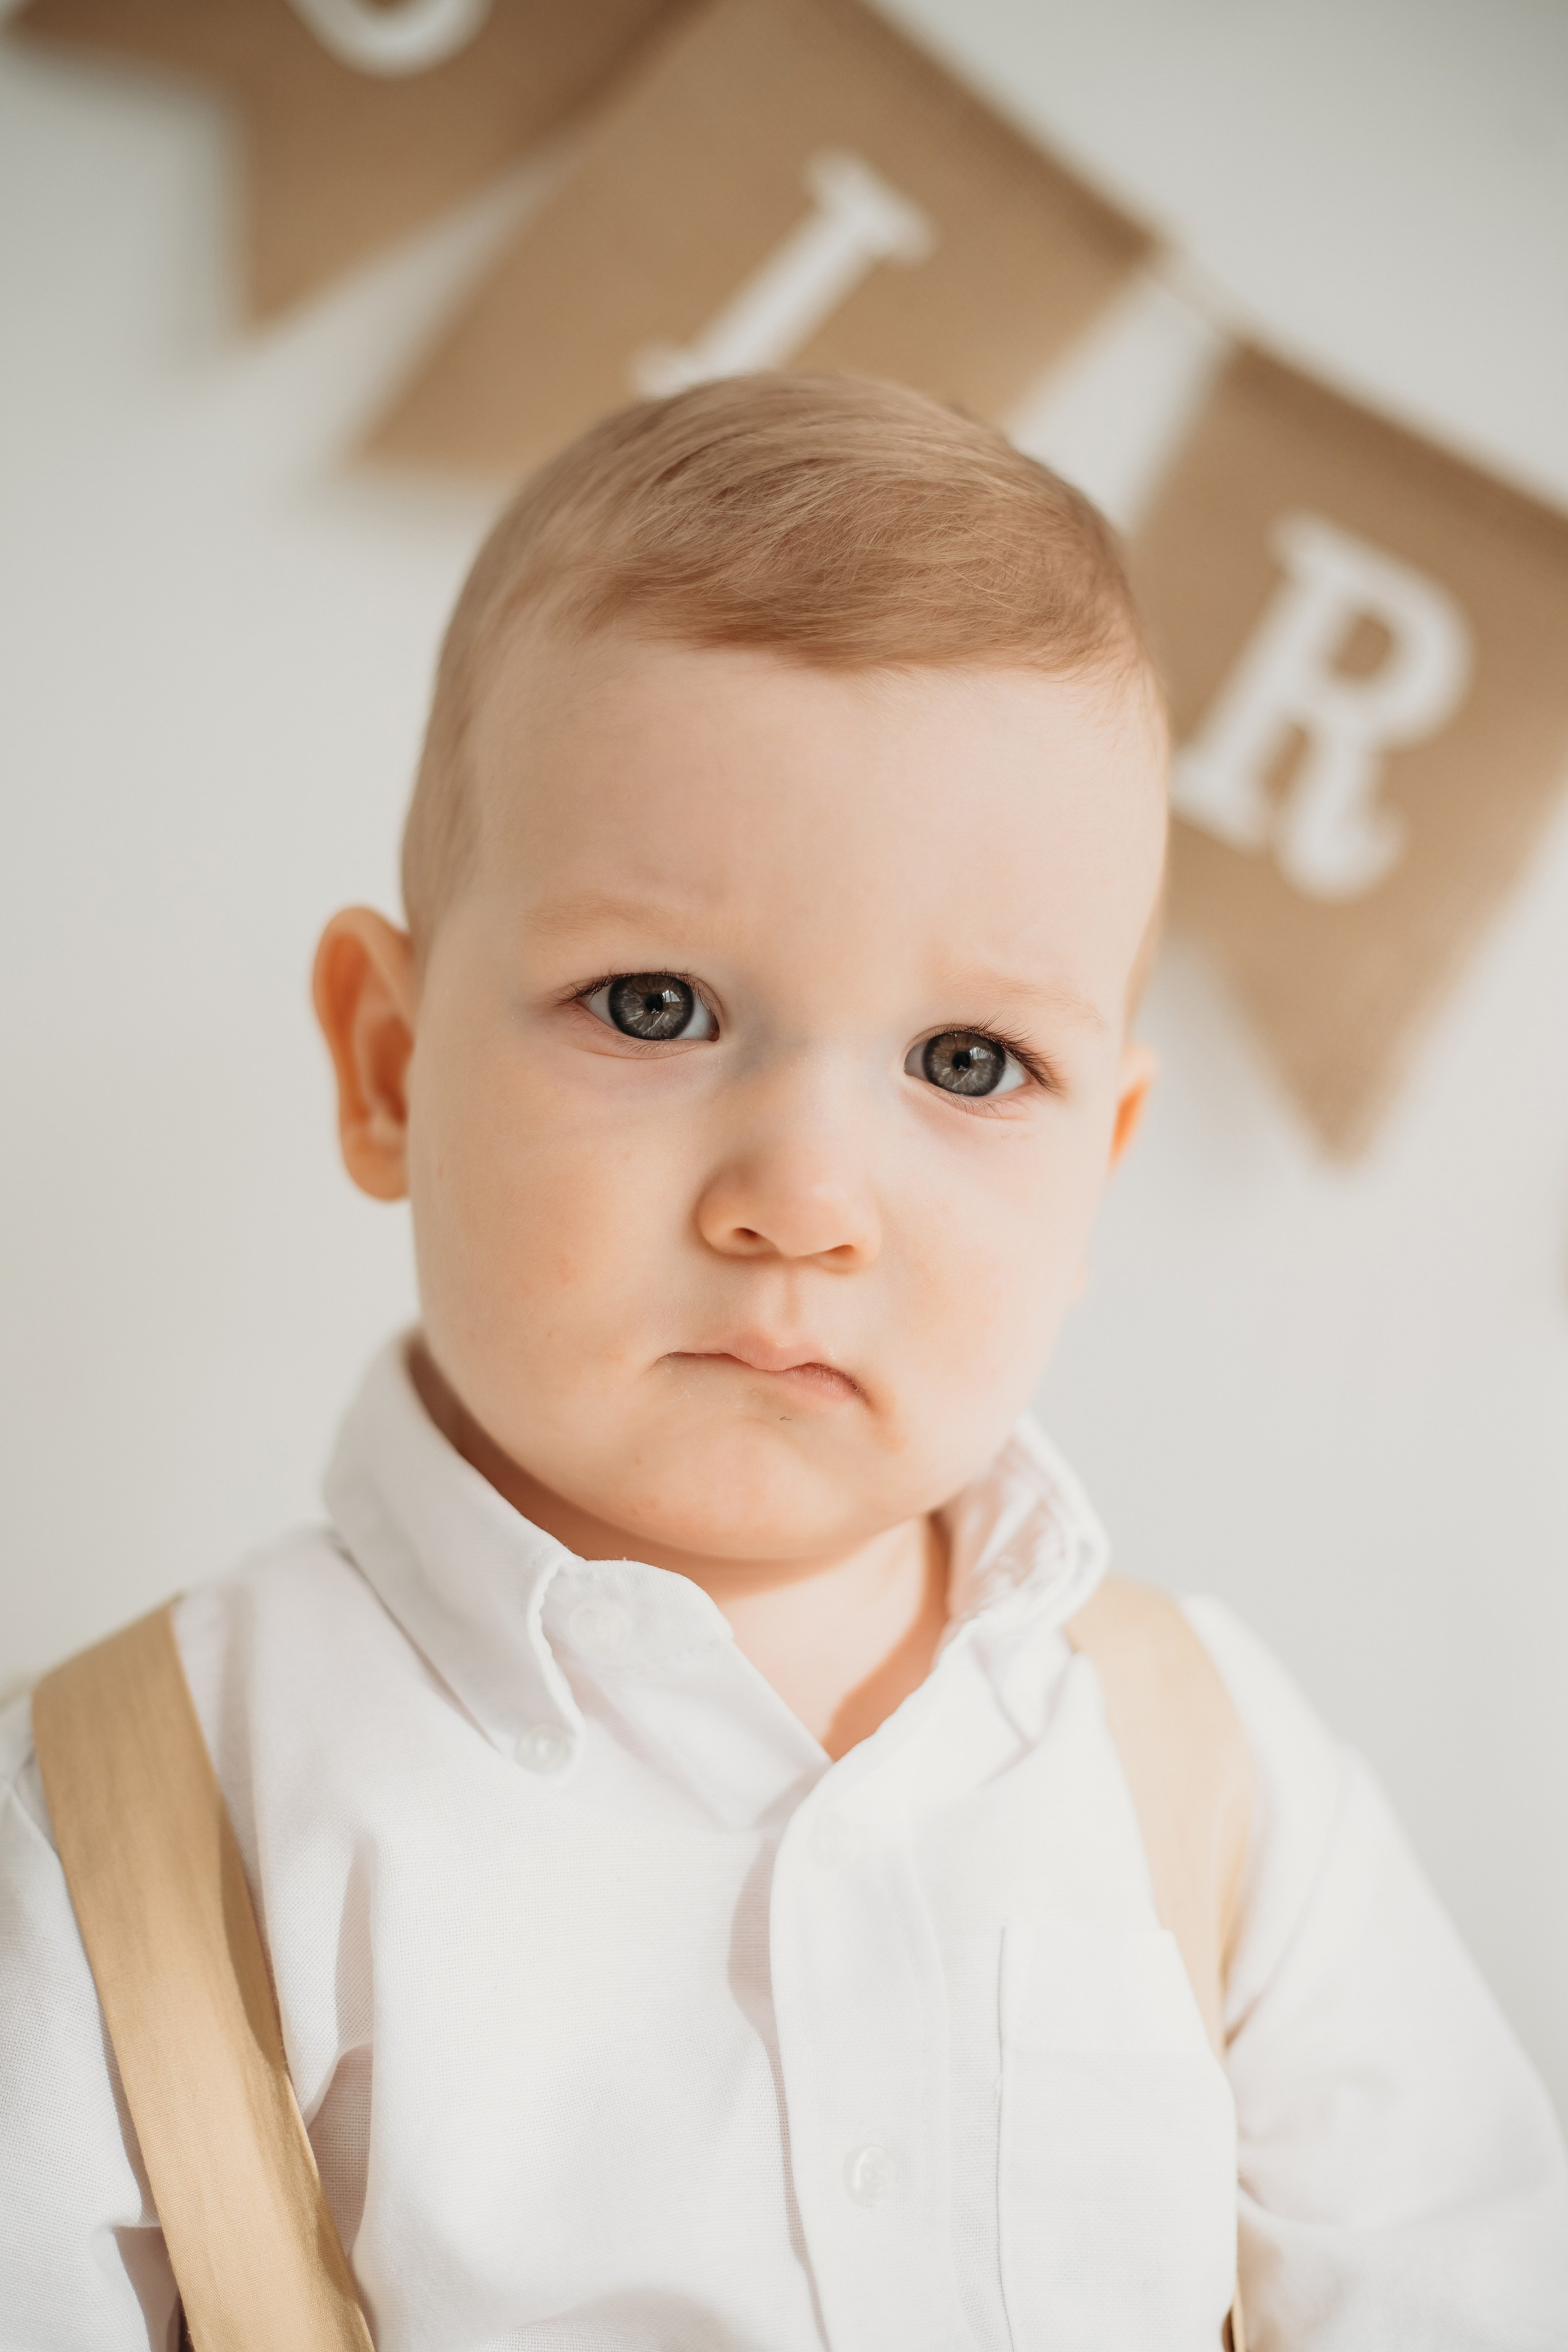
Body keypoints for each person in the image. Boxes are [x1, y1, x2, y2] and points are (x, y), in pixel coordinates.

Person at [1, 374, 1564, 2351]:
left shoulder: (1218, 1774)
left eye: (971, 1062)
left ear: (1098, 1166)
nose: (807, 1199)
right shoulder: (130, 1821)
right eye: (654, 1007)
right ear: (389, 1067)